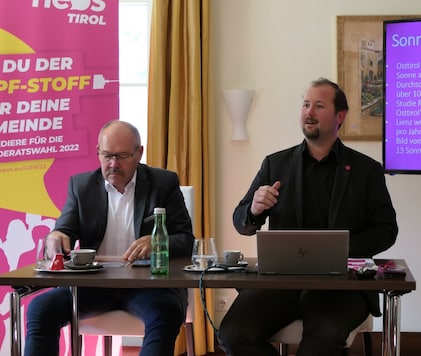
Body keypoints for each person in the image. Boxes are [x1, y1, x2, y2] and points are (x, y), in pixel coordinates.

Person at [219, 78, 398, 356]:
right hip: (282, 282)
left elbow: (387, 230)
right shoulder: (275, 164)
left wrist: (341, 250)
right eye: (305, 105)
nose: (308, 112)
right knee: (232, 334)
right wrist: (254, 209)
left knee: (323, 339)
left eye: (318, 105)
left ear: (340, 116)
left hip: (343, 286)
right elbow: (241, 222)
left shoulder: (367, 170)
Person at [24, 120, 194, 356]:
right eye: (107, 155)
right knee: (40, 308)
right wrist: (57, 235)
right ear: (98, 152)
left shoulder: (163, 183)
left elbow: (186, 240)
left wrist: (156, 242)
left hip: (149, 285)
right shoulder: (81, 185)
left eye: (122, 156)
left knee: (166, 312)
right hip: (94, 284)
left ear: (139, 153)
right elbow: (65, 229)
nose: (113, 164)